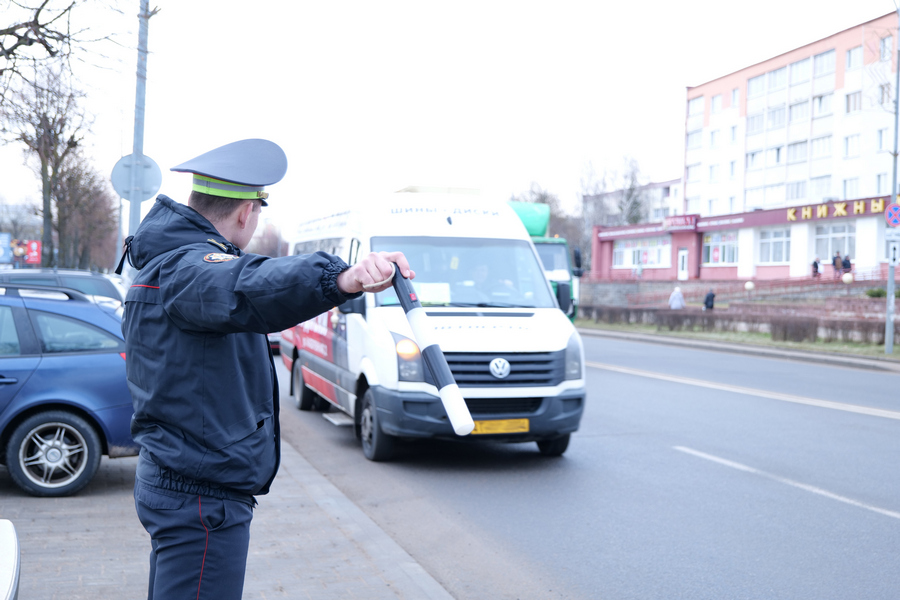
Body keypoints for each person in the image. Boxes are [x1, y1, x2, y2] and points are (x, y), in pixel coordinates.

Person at [115, 139, 414, 600]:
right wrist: (342, 278)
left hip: (182, 481)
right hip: (201, 497)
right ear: (244, 214)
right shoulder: (190, 268)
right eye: (257, 211)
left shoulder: (166, 262)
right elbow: (244, 282)